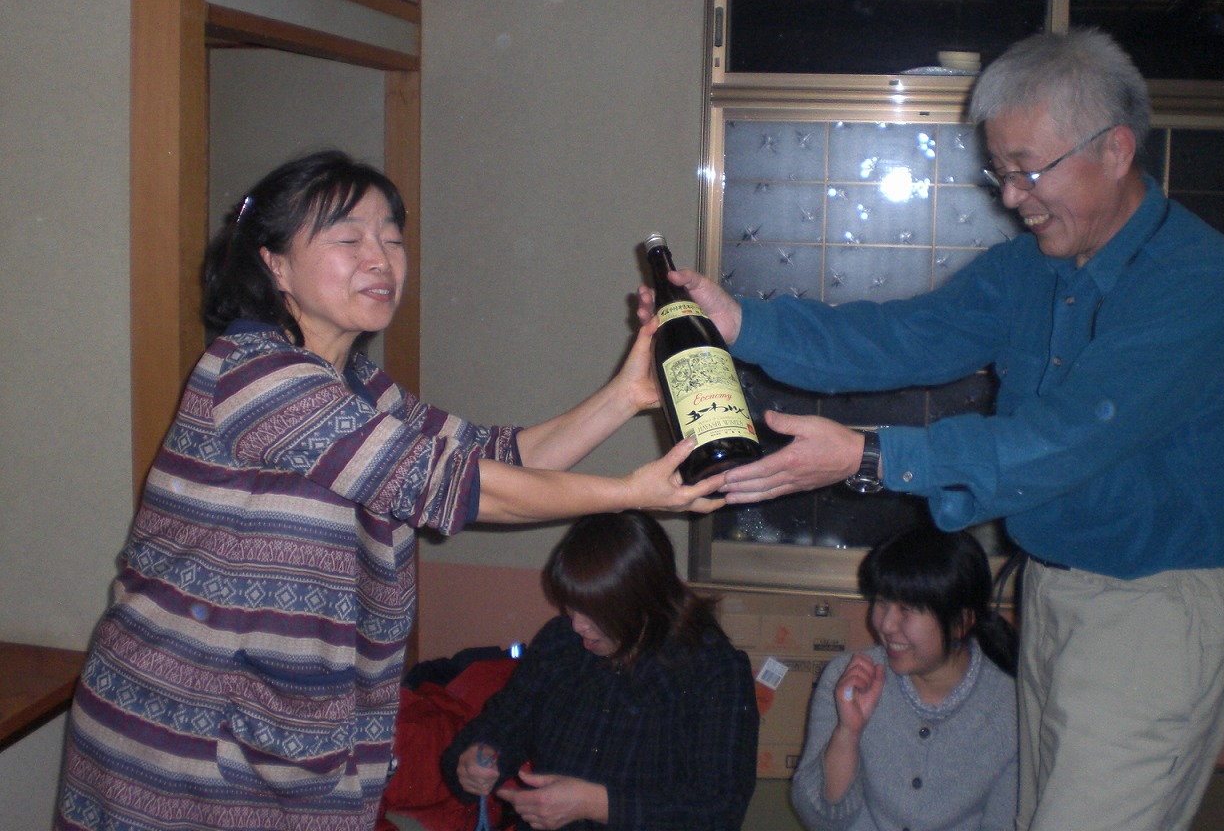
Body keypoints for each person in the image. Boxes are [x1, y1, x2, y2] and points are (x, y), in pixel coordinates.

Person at [639, 29, 1224, 831]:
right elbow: (901, 337)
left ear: (1115, 150)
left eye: (1028, 169)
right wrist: (742, 324)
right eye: (1000, 171)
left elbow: (1067, 437)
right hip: (1055, 589)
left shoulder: (1195, 280)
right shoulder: (1035, 266)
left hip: (1157, 602)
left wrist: (869, 455)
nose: (1012, 197)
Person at [57, 151, 727, 831]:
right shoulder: (253, 373)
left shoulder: (359, 387)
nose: (380, 258)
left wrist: (626, 396)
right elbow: (458, 487)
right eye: (349, 238)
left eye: (392, 238)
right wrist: (632, 493)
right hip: (183, 731)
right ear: (274, 264)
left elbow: (498, 458)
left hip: (290, 731)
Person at [443, 510, 759, 831]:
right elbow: (503, 723)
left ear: (646, 602)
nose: (578, 625)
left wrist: (597, 805)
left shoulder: (713, 671)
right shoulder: (560, 642)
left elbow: (720, 811)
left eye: (596, 611)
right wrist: (479, 757)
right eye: (572, 605)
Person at [790, 525, 1017, 831]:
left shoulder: (1009, 708)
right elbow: (820, 821)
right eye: (881, 602)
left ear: (961, 622)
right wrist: (848, 733)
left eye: (907, 609)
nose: (886, 624)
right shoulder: (848, 679)